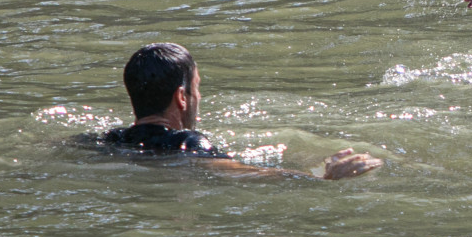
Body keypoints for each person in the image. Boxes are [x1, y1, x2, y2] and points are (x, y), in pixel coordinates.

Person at [96, 42, 383, 178]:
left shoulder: (110, 141)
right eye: (197, 87)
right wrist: (323, 177)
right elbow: (237, 172)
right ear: (181, 97)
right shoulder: (188, 143)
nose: (200, 95)